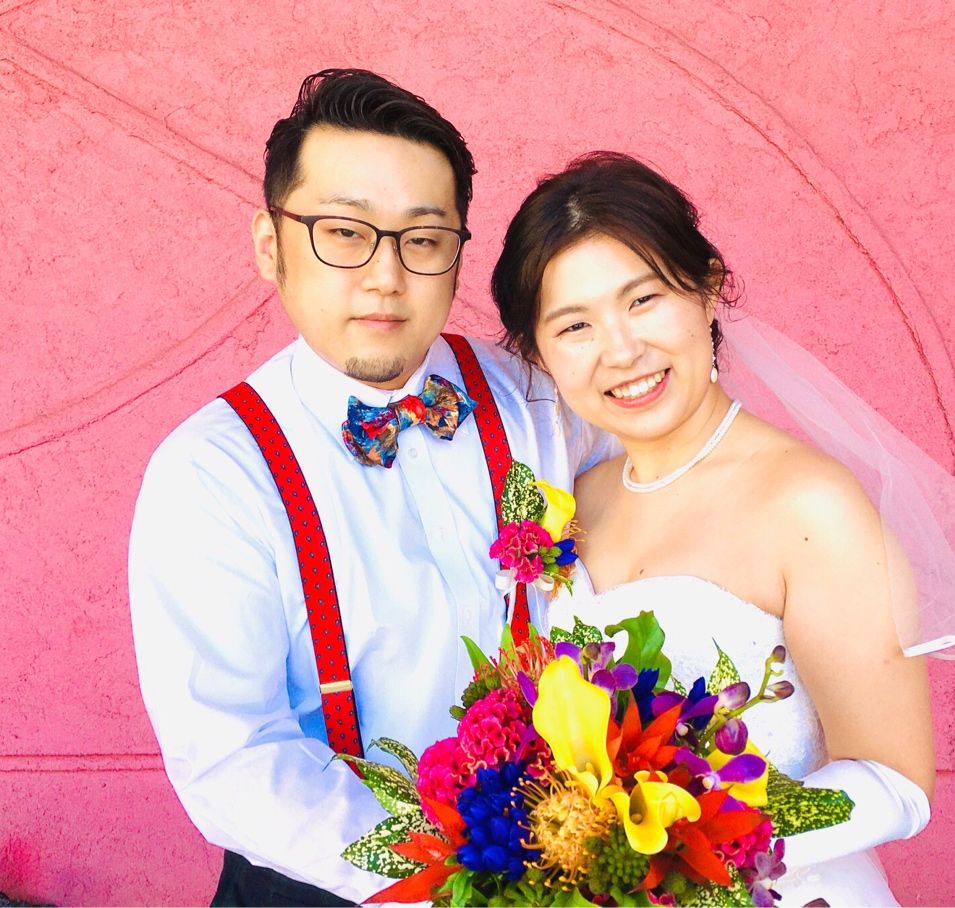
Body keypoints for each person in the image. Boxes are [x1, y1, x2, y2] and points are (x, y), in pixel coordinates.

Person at [491, 152, 955, 905]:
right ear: (539, 353)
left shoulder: (807, 503)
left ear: (707, 290)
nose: (620, 350)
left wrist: (675, 849)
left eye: (643, 299)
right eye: (575, 325)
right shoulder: (568, 509)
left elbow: (896, 782)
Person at [128, 70, 612, 906]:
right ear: (270, 245)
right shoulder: (212, 471)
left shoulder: (543, 401)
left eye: (422, 238)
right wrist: (454, 882)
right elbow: (232, 756)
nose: (386, 275)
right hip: (324, 888)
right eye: (344, 233)